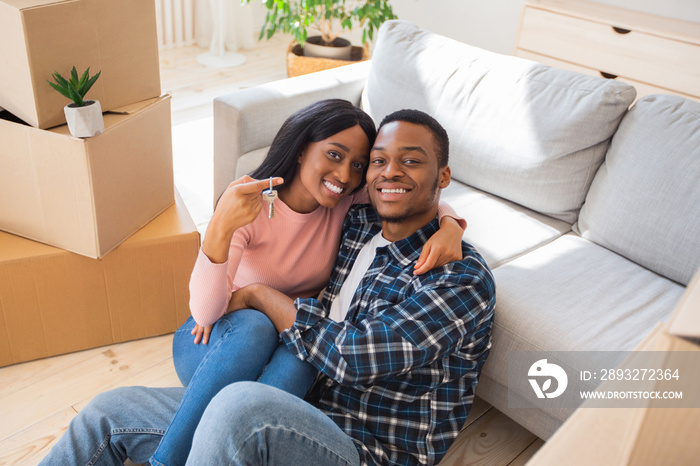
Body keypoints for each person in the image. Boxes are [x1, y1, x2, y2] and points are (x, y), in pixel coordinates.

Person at [39, 108, 494, 466]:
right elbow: (399, 197)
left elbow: (355, 357)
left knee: (240, 405)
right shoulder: (358, 220)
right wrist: (447, 219)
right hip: (293, 392)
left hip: (363, 447)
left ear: (443, 176)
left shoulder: (461, 278)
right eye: (377, 163)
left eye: (410, 161)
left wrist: (260, 295)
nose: (388, 173)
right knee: (108, 412)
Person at [151, 100, 467, 465]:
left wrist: (449, 225)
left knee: (305, 358)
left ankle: (237, 445)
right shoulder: (249, 206)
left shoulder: (345, 202)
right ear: (302, 150)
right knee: (256, 326)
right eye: (334, 155)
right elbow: (206, 311)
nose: (345, 175)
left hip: (290, 338)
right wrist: (221, 226)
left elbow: (403, 193)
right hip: (217, 340)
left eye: (358, 165)